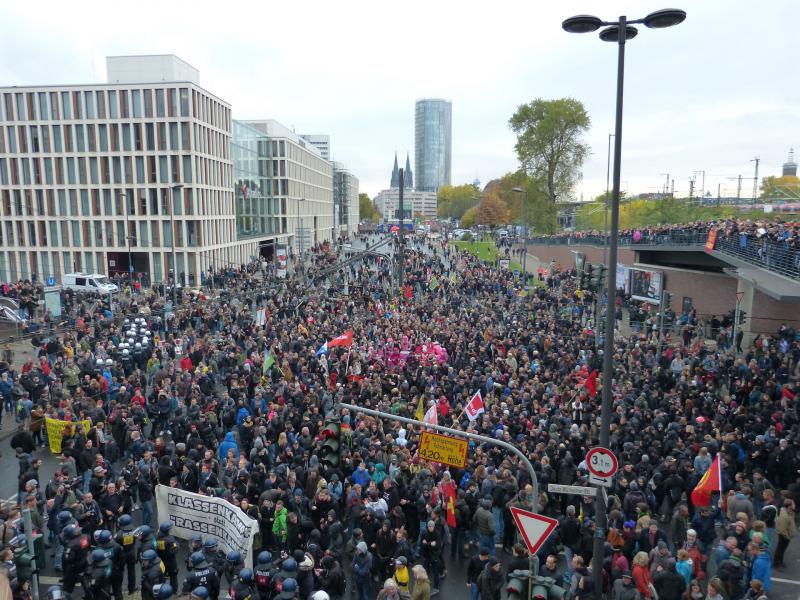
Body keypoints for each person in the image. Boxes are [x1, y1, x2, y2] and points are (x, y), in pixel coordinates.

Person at [773, 499, 795, 568]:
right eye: (793, 504)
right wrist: (787, 536)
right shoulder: (784, 515)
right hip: (784, 535)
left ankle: (780, 561)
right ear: (789, 506)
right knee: (780, 549)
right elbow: (782, 528)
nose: (794, 505)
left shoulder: (788, 512)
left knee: (782, 549)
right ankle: (777, 563)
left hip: (786, 535)